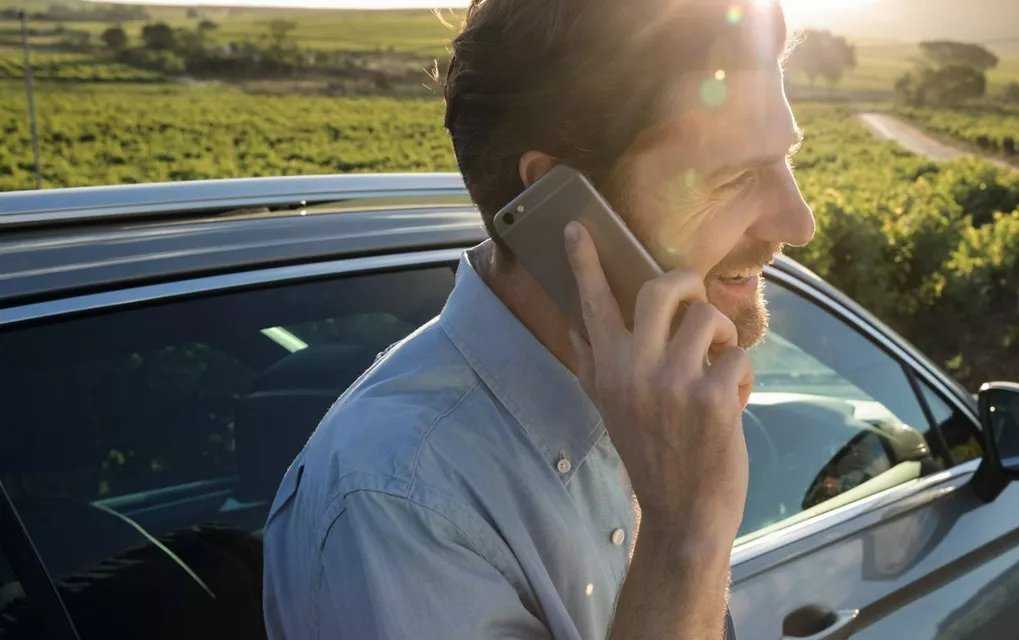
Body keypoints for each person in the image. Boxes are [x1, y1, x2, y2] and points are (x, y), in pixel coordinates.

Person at [262, 0, 814, 637]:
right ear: (560, 203)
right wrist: (685, 538)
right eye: (735, 175)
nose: (798, 223)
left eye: (786, 159)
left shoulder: (658, 396)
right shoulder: (399, 501)